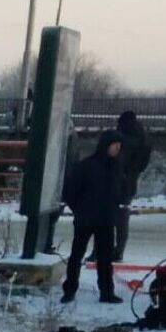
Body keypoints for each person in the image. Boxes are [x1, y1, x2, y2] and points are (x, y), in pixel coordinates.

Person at [61, 129, 124, 304]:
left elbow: (119, 191)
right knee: (76, 255)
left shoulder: (116, 166)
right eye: (114, 144)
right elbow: (70, 191)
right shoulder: (87, 165)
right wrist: (79, 210)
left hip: (106, 220)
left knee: (105, 259)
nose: (117, 148)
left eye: (119, 145)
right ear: (106, 145)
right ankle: (70, 290)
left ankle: (106, 292)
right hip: (86, 219)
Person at [112, 109, 152, 261]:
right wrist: (132, 174)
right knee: (122, 221)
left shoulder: (121, 137)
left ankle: (101, 251)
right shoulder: (144, 138)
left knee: (106, 219)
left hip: (114, 182)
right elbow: (143, 163)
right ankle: (119, 251)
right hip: (130, 183)